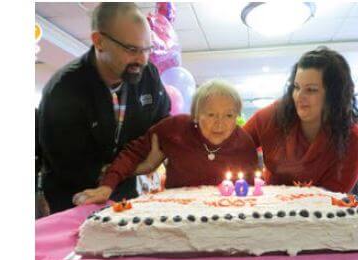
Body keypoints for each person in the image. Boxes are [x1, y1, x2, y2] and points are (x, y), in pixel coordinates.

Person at [37, 2, 171, 213]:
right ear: (99, 41)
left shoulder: (149, 77)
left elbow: (162, 129)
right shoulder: (63, 90)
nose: (142, 59)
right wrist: (141, 167)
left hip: (124, 194)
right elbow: (72, 168)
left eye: (147, 49)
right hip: (73, 200)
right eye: (131, 49)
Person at [75, 79, 257, 205]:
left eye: (229, 115)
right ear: (195, 115)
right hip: (176, 216)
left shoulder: (244, 144)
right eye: (211, 115)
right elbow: (133, 152)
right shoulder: (175, 128)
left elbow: (247, 194)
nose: (220, 123)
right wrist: (108, 185)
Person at [244, 47, 358, 193]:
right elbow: (234, 145)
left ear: (334, 96)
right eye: (296, 87)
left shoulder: (351, 139)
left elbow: (332, 199)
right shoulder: (273, 115)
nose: (299, 96)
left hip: (318, 212)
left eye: (311, 90)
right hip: (270, 207)